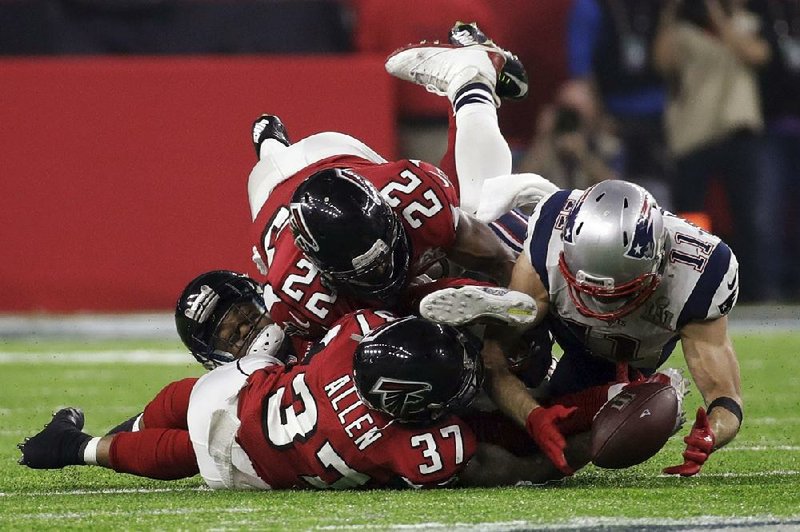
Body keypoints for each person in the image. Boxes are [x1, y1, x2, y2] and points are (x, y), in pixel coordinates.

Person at [18, 310, 586, 488]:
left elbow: (378, 324)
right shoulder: (401, 446)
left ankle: (96, 432)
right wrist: (570, 453)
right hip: (251, 456)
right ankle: (77, 445)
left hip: (245, 387)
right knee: (192, 451)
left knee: (189, 397)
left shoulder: (351, 341)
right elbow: (504, 465)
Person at [423, 179, 743, 477]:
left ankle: (625, 391)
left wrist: (710, 433)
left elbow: (725, 398)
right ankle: (468, 274)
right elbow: (495, 359)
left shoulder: (699, 274)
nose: (598, 306)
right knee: (512, 335)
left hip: (617, 355)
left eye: (618, 294)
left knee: (558, 447)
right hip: (553, 314)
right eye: (588, 290)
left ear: (659, 264)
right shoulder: (551, 240)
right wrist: (530, 414)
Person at [247, 39, 556, 342]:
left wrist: (527, 303)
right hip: (270, 187)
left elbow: (497, 260)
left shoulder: (410, 193)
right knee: (373, 329)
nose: (384, 269)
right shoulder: (296, 296)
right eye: (369, 270)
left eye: (383, 255)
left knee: (481, 206)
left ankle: (470, 77)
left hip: (333, 152)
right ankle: (270, 142)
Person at [653, 0, 770, 302]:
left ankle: (753, 293)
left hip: (738, 132)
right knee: (690, 219)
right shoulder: (683, 31)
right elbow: (662, 62)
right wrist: (671, 13)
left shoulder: (748, 22)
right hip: (694, 135)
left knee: (749, 217)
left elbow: (756, 54)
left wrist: (717, 13)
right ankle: (687, 289)